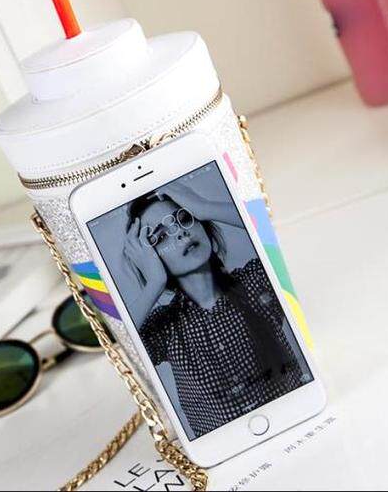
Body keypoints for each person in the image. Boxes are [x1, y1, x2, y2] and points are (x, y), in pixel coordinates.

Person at [122, 177, 306, 437]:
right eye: (161, 237)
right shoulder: (164, 328)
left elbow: (279, 233)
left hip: (297, 423)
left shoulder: (255, 282)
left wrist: (205, 207)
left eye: (184, 217)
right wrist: (153, 282)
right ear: (149, 259)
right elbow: (117, 341)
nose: (180, 232)